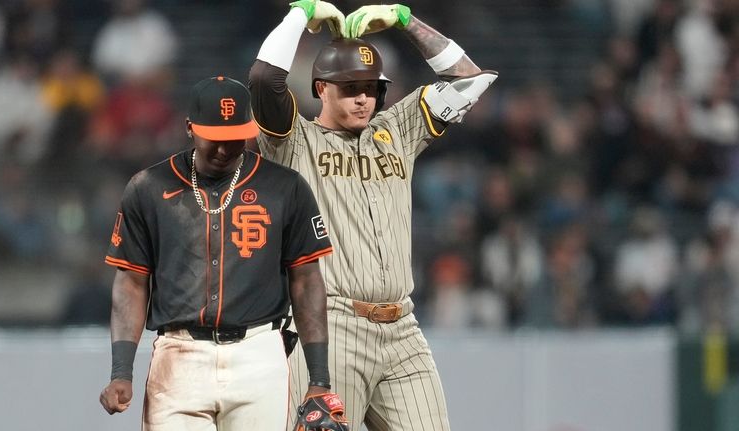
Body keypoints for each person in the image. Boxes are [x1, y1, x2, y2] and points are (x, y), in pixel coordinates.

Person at [248, 1, 498, 429]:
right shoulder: (294, 141)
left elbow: (469, 80)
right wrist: (299, 15)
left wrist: (405, 21)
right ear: (321, 87)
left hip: (403, 328)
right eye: (350, 87)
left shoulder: (396, 129)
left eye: (371, 87)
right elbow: (264, 78)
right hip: (331, 326)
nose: (364, 97)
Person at [98, 75, 345, 430]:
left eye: (234, 138)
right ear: (189, 128)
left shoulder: (285, 187)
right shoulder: (148, 188)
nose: (224, 149)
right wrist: (121, 370)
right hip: (179, 356)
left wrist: (319, 378)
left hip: (259, 352)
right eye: (214, 138)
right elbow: (131, 283)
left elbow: (307, 281)